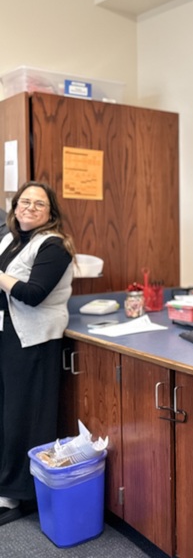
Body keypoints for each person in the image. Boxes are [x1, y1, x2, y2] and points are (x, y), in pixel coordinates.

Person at [0, 182, 75, 526]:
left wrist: (1, 277)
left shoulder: (54, 246)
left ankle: (17, 495)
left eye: (39, 204)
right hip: (8, 335)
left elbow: (33, 294)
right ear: (15, 206)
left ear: (50, 213)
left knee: (22, 416)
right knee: (6, 412)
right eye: (24, 201)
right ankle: (5, 484)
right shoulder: (12, 240)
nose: (30, 207)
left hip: (34, 340)